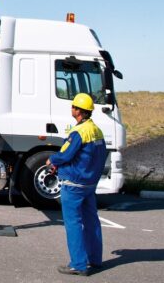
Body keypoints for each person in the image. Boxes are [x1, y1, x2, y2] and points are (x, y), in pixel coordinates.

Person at [47, 92, 108, 276]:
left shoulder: (78, 132)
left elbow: (65, 154)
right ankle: (95, 259)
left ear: (79, 111)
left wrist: (52, 160)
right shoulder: (96, 130)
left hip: (74, 184)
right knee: (91, 221)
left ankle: (78, 265)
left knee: (73, 223)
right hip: (89, 184)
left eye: (73, 106)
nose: (71, 109)